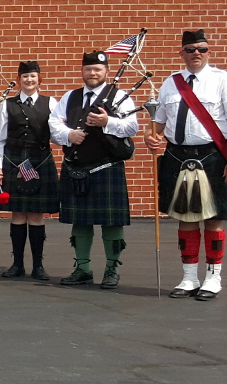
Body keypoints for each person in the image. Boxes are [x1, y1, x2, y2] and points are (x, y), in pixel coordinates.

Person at [145, 30, 227, 300]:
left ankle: (213, 278)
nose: (196, 54)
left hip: (212, 155)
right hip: (177, 155)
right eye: (190, 49)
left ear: (208, 51)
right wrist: (150, 137)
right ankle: (189, 278)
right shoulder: (170, 83)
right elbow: (160, 123)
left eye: (202, 49)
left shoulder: (222, 80)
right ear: (182, 53)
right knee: (184, 218)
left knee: (214, 218)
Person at [51, 51, 139, 289]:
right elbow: (54, 123)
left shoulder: (119, 95)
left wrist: (107, 122)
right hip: (76, 165)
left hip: (106, 167)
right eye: (88, 69)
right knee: (80, 221)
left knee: (111, 222)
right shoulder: (70, 97)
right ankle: (83, 268)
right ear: (82, 71)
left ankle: (112, 269)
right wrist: (69, 134)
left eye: (98, 70)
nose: (93, 73)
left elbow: (132, 126)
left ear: (106, 72)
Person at [0, 61, 63, 280]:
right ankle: (17, 264)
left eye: (33, 76)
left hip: (40, 160)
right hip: (14, 160)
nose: (29, 80)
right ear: (19, 79)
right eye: (24, 77)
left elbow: (59, 133)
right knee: (18, 214)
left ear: (39, 79)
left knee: (36, 215)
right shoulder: (7, 105)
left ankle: (38, 266)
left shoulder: (51, 103)